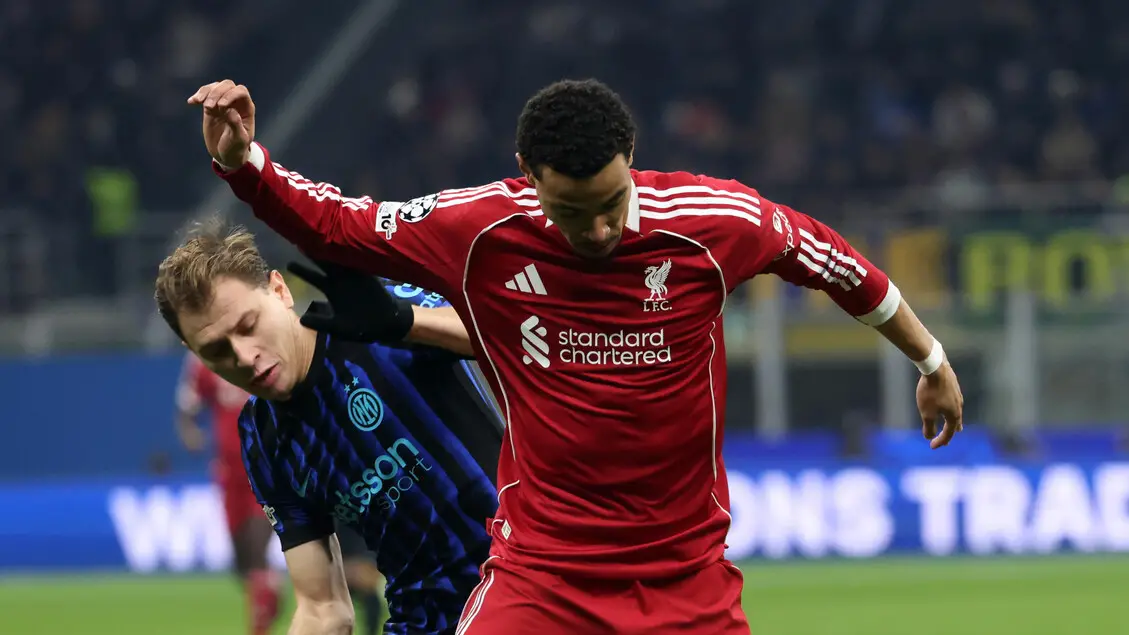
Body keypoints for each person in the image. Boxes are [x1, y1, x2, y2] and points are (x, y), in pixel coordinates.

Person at [188, 77, 965, 634]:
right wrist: (243, 163)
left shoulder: (710, 221)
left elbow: (831, 261)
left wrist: (929, 359)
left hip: (686, 576)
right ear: (528, 177)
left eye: (609, 204)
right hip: (542, 574)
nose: (595, 231)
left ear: (631, 157)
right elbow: (337, 223)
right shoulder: (479, 230)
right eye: (569, 211)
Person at [154, 219, 504, 635]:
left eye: (248, 325)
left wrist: (406, 322)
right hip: (425, 622)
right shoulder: (264, 438)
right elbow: (324, 610)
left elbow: (520, 334)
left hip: (524, 575)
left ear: (280, 291)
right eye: (216, 350)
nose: (244, 356)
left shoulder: (375, 318)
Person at [174, 353, 281, 635]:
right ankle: (269, 591)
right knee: (241, 562)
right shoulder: (204, 356)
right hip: (229, 472)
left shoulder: (264, 348)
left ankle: (259, 626)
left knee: (257, 549)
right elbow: (187, 406)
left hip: (266, 466)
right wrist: (189, 432)